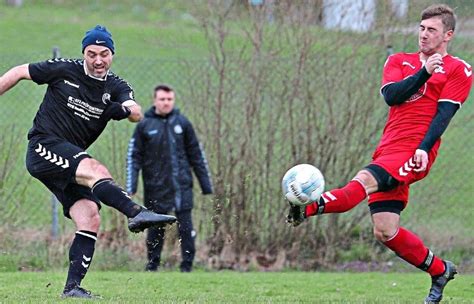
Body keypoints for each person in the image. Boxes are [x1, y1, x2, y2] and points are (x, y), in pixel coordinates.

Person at [286, 4, 472, 304]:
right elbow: (391, 96)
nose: (424, 35)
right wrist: (424, 73)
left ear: (448, 35)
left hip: (413, 153)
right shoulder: (399, 61)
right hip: (387, 147)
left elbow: (444, 114)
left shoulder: (458, 69)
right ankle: (440, 271)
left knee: (359, 183)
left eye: (432, 30)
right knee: (385, 230)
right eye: (422, 29)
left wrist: (424, 148)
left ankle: (304, 209)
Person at [0, 25, 177, 298]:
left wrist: (123, 110)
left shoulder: (116, 86)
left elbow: (137, 112)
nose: (97, 60)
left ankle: (72, 289)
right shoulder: (63, 69)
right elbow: (20, 71)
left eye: (103, 54)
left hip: (68, 162)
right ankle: (135, 213)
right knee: (96, 169)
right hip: (43, 146)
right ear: (84, 53)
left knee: (90, 216)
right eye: (91, 53)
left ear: (112, 54)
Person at [127, 84, 213, 272]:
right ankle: (152, 265)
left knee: (186, 229)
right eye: (162, 99)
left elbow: (196, 155)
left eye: (169, 99)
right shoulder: (144, 125)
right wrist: (131, 185)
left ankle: (187, 266)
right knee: (155, 228)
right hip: (155, 187)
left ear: (173, 100)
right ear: (155, 100)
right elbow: (134, 157)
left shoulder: (182, 123)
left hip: (181, 186)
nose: (166, 103)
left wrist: (206, 185)